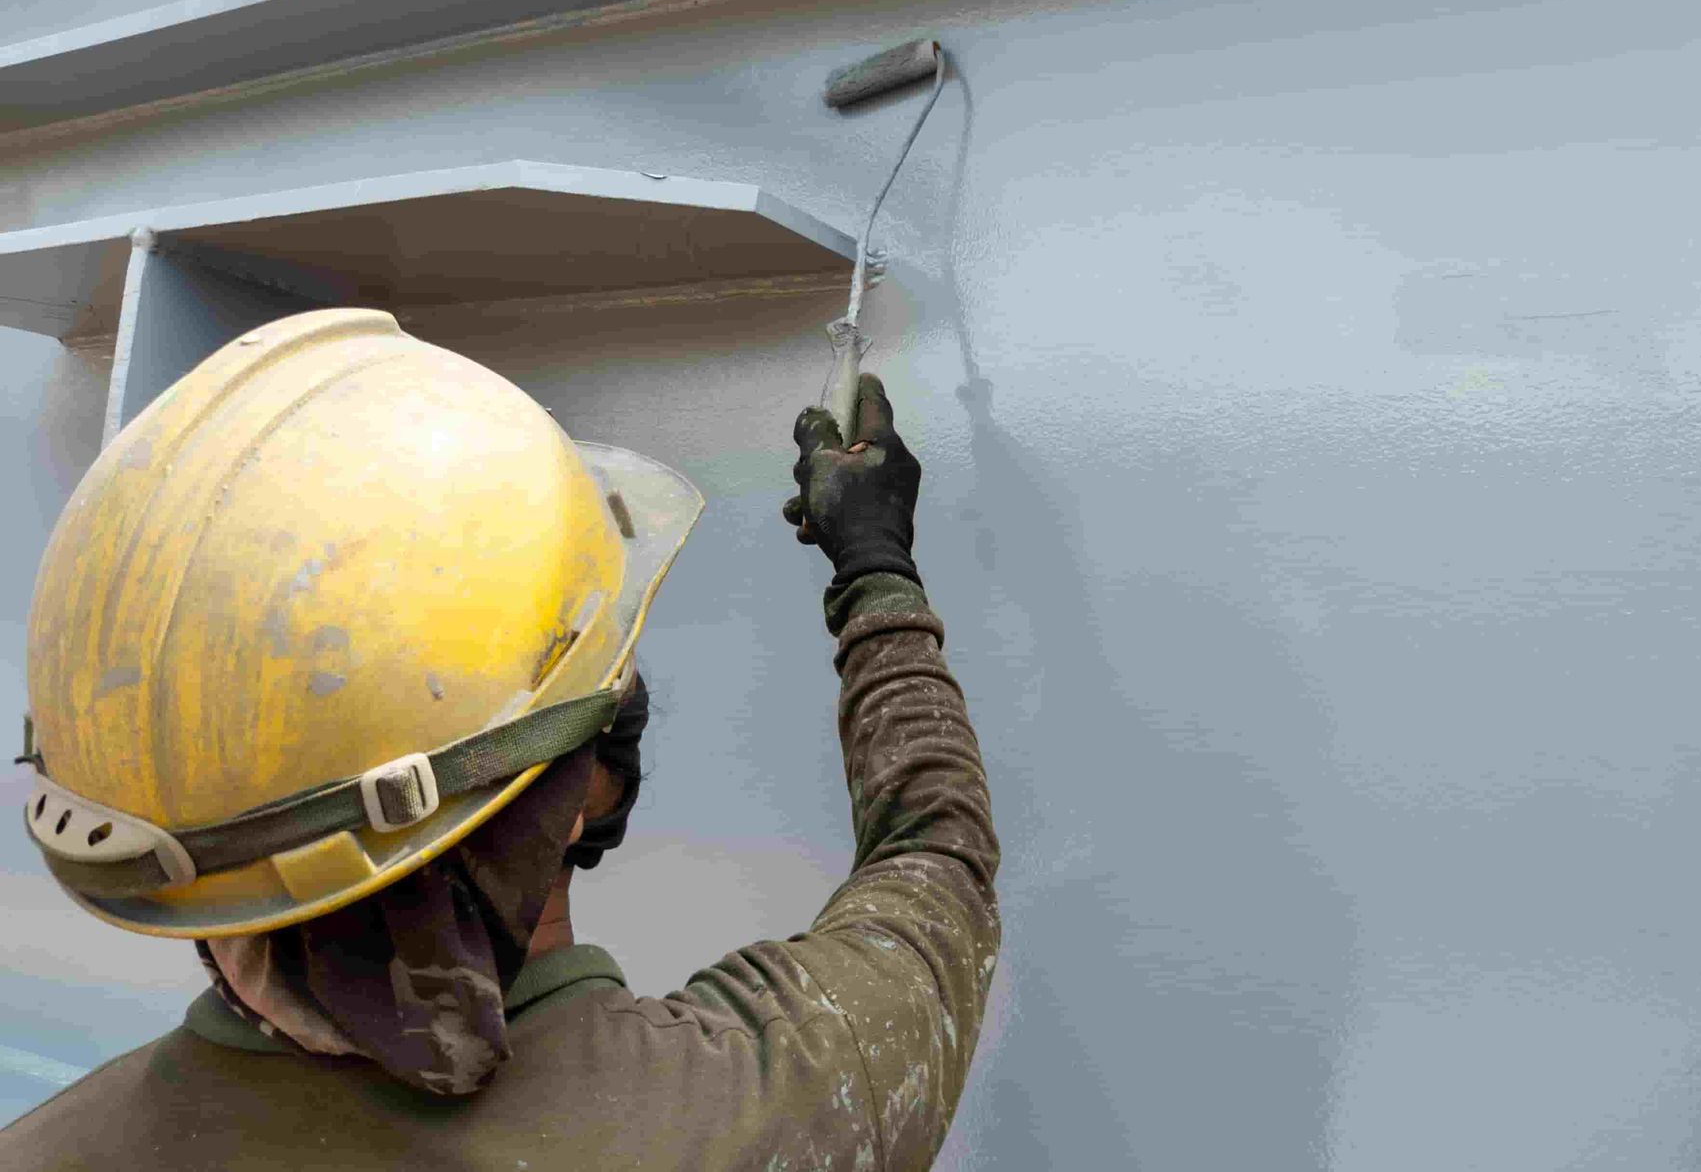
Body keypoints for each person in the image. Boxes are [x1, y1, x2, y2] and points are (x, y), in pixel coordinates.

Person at [1, 308, 999, 1171]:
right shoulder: (738, 1109)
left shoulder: (43, 1146)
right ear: (590, 792)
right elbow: (937, 862)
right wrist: (874, 566)